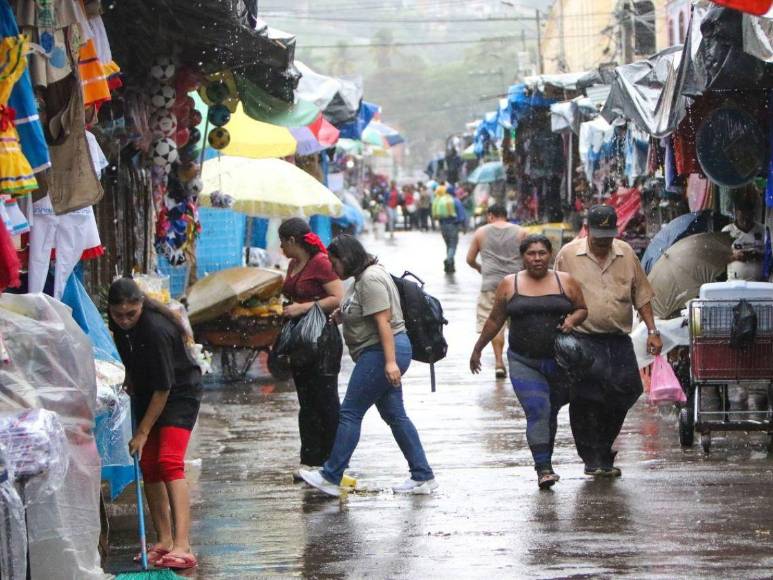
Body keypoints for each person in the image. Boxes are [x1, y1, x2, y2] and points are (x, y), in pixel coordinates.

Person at [300, 235, 438, 497]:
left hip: (382, 352)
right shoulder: (361, 278)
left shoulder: (371, 279)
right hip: (382, 352)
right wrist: (343, 316)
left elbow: (383, 322)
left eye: (334, 262)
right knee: (395, 416)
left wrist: (389, 363)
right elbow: (363, 311)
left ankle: (331, 475)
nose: (332, 268)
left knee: (350, 412)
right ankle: (422, 475)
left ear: (348, 258)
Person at [470, 235, 587, 489]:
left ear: (550, 254)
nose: (537, 258)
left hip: (559, 362)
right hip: (524, 361)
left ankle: (546, 460)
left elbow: (581, 308)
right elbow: (494, 320)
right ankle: (543, 468)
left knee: (550, 413)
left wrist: (572, 321)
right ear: (522, 257)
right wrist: (478, 349)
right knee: (537, 409)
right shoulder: (509, 284)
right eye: (531, 253)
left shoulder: (564, 281)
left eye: (542, 253)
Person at [555, 205, 662, 477]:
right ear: (587, 230)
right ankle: (593, 456)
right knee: (586, 399)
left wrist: (652, 331)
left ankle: (602, 445)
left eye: (608, 235)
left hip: (617, 339)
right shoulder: (568, 255)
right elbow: (555, 292)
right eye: (598, 235)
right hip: (583, 338)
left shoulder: (625, 252)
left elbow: (642, 295)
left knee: (627, 390)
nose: (603, 241)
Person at [109, 278, 201, 570]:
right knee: (148, 464)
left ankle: (183, 544)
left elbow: (164, 388)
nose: (124, 321)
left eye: (131, 315)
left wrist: (143, 431)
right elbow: (131, 361)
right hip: (148, 392)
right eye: (118, 315)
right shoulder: (121, 326)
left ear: (141, 306)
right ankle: (163, 540)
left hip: (178, 393)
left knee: (168, 461)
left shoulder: (156, 329)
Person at [279, 218, 346, 480]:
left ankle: (333, 462)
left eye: (283, 242)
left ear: (293, 241)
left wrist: (303, 307)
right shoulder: (293, 264)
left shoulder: (320, 262)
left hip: (322, 340)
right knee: (306, 401)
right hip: (300, 341)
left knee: (326, 400)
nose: (281, 247)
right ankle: (310, 461)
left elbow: (338, 297)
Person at [467, 204, 527, 378]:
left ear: (491, 215)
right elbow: (528, 258)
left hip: (491, 284)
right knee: (517, 323)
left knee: (494, 323)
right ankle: (521, 362)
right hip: (516, 284)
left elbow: (469, 259)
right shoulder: (521, 232)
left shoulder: (481, 233)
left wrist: (480, 268)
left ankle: (499, 362)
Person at [721, 197, 768, 416]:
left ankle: (759, 367)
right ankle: (737, 374)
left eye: (749, 211)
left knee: (759, 332)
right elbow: (718, 256)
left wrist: (758, 255)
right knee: (738, 332)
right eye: (741, 211)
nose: (745, 216)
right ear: (735, 212)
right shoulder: (727, 231)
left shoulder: (762, 230)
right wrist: (734, 255)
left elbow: (770, 254)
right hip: (735, 288)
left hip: (760, 289)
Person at [432, 184, 459, 273]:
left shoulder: (437, 200)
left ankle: (450, 266)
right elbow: (461, 215)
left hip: (442, 226)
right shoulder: (453, 200)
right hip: (452, 224)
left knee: (448, 244)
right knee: (453, 244)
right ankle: (449, 259)